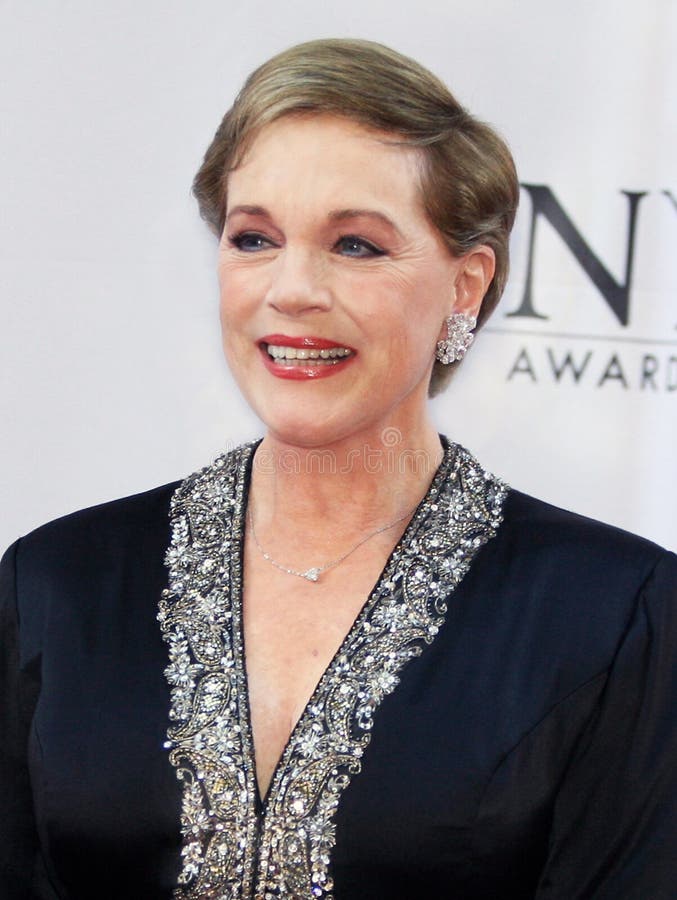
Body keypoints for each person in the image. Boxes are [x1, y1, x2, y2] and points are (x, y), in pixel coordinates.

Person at [1, 38, 676, 900]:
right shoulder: (58, 584)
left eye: (355, 246)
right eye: (254, 238)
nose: (292, 289)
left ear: (465, 286)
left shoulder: (615, 614)